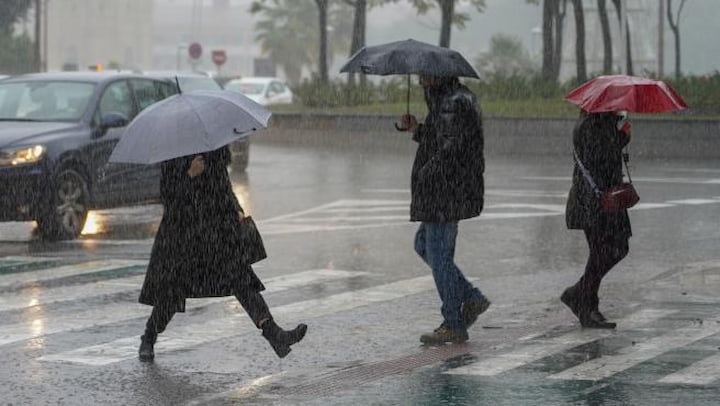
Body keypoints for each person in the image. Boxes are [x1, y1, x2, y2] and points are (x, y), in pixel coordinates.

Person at [137, 145, 307, 361]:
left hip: (216, 233)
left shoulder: (212, 147)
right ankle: (149, 337)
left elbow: (223, 187)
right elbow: (170, 201)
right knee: (171, 293)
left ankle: (275, 335)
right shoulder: (173, 153)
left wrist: (236, 208)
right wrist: (190, 175)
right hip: (182, 238)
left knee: (242, 282)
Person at [398, 75, 491, 344]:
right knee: (424, 245)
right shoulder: (449, 100)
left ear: (438, 74)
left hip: (444, 192)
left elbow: (451, 149)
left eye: (423, 75)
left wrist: (428, 172)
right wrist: (417, 129)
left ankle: (453, 321)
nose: (418, 81)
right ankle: (471, 297)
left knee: (438, 255)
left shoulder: (452, 103)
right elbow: (442, 139)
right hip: (448, 191)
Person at [561, 110, 632, 329]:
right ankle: (586, 305)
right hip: (593, 200)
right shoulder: (590, 125)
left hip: (606, 198)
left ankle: (581, 296)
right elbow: (598, 158)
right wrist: (620, 139)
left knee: (616, 248)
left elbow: (605, 157)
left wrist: (618, 138)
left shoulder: (601, 123)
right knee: (604, 251)